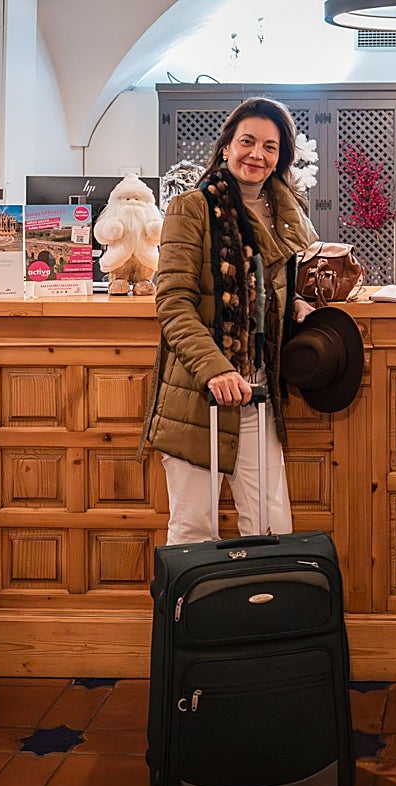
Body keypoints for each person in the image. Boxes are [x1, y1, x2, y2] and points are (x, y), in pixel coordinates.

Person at [144, 96, 319, 544]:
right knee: (193, 530)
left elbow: (269, 285)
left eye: (269, 146)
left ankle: (264, 596)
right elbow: (174, 303)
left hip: (258, 389)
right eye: (247, 141)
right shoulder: (191, 208)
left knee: (270, 528)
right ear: (226, 146)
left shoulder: (285, 215)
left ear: (280, 157)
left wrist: (294, 302)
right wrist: (216, 369)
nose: (257, 154)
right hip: (198, 393)